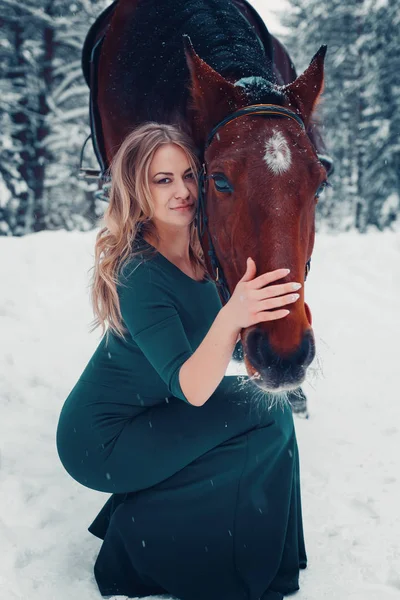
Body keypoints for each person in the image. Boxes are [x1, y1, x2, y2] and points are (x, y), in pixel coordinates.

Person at [56, 122, 307, 600]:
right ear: (136, 190)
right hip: (102, 438)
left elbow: (211, 343)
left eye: (189, 175)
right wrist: (234, 312)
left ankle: (272, 562)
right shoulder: (139, 273)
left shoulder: (201, 250)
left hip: (156, 406)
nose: (183, 191)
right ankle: (137, 541)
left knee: (272, 408)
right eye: (163, 180)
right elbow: (193, 386)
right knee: (259, 420)